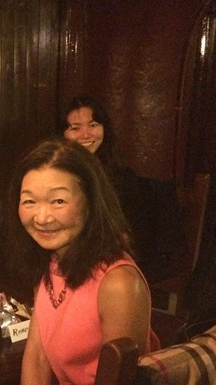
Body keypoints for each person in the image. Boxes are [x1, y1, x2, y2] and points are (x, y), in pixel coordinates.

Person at [4, 138, 159, 385]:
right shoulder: (51, 263)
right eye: (29, 201)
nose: (41, 217)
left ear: (91, 202)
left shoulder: (118, 283)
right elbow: (36, 359)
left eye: (58, 200)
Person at [59, 94, 185, 282]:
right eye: (75, 128)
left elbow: (127, 235)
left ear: (104, 128)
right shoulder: (57, 171)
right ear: (62, 134)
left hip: (109, 261)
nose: (85, 134)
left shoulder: (121, 176)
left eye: (93, 125)